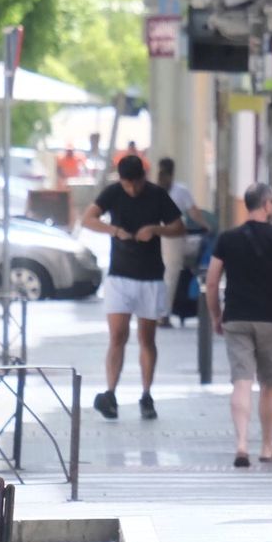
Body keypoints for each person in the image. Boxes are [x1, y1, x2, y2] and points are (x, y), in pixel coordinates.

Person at [206, 183, 272, 468]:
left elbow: (212, 281)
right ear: (268, 204)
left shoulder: (227, 238)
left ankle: (241, 445)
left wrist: (216, 315)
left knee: (241, 382)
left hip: (236, 317)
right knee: (270, 385)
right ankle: (266, 446)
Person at [81, 155, 184, 421]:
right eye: (126, 185)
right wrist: (114, 231)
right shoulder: (113, 192)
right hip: (119, 276)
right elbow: (88, 219)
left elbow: (178, 227)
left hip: (150, 277)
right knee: (117, 336)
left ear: (142, 178)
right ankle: (111, 394)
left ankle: (146, 394)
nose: (131, 190)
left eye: (135, 185)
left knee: (147, 339)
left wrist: (155, 230)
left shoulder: (157, 195)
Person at [155, 157, 209, 326]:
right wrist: (207, 226)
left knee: (163, 274)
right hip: (172, 236)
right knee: (170, 274)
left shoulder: (155, 190)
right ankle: (163, 315)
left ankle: (159, 312)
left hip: (160, 235)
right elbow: (193, 213)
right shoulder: (179, 190)